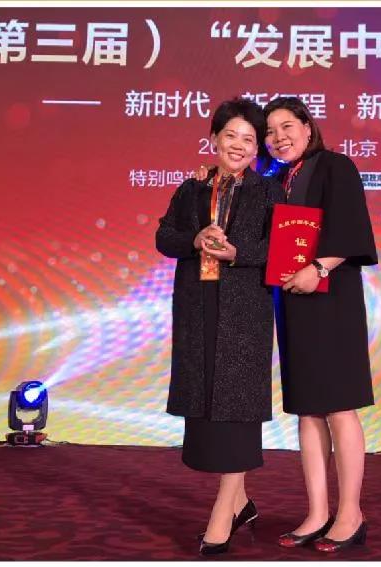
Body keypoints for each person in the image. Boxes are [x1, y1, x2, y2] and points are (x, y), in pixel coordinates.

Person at [155, 97, 284, 556]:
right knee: (209, 410)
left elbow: (280, 250)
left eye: (249, 139)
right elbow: (164, 236)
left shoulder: (269, 192)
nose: (239, 145)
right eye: (231, 135)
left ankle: (222, 515)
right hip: (198, 309)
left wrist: (238, 253)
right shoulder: (192, 189)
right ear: (214, 139)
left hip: (245, 313)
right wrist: (194, 239)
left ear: (257, 149)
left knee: (238, 412)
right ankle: (242, 504)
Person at [265, 96, 379, 553]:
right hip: (293, 301)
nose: (278, 138)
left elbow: (351, 228)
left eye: (286, 126)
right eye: (270, 132)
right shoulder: (276, 181)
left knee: (338, 406)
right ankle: (316, 512)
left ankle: (350, 513)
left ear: (308, 127)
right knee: (307, 409)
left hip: (332, 296)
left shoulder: (336, 165)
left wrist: (319, 267)